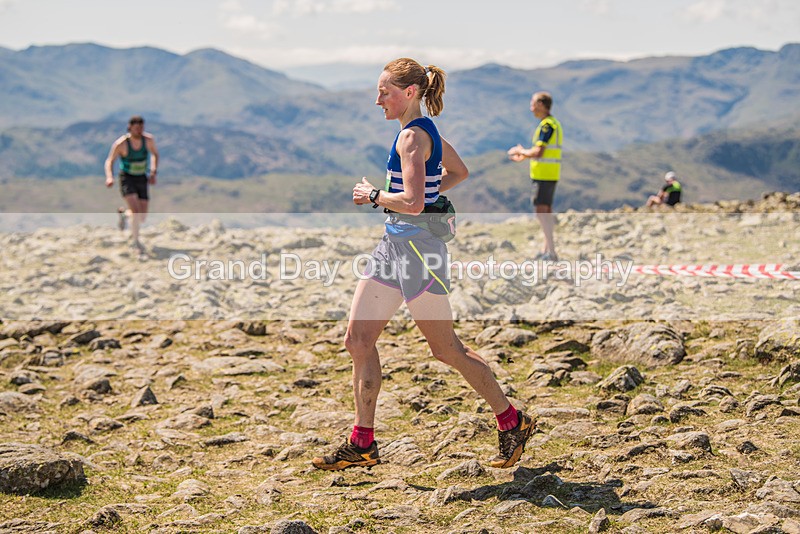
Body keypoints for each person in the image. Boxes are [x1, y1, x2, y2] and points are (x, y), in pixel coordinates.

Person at [311, 58, 535, 472]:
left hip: (418, 253)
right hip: (392, 248)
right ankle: (362, 443)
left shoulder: (412, 138)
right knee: (357, 340)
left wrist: (374, 195)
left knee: (446, 349)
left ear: (409, 92)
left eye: (385, 92)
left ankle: (512, 420)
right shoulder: (424, 130)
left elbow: (412, 203)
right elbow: (458, 172)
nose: (378, 99)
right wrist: (427, 195)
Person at [507, 92, 563, 261]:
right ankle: (546, 249)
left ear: (541, 105)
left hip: (544, 174)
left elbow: (539, 152)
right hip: (550, 173)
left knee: (541, 212)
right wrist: (524, 155)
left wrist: (521, 151)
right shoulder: (553, 123)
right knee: (546, 211)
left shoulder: (547, 126)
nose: (531, 108)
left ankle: (551, 252)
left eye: (533, 104)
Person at [104, 116, 159, 252]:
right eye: (136, 128)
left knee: (142, 216)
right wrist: (109, 177)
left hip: (142, 177)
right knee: (136, 210)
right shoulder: (121, 144)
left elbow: (155, 154)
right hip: (127, 178)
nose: (139, 131)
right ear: (130, 128)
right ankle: (135, 241)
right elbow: (110, 161)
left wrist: (153, 172)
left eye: (141, 128)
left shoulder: (148, 140)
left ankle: (124, 215)